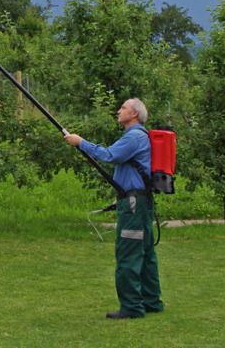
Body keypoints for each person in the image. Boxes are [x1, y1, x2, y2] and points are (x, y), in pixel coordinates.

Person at [64, 98, 164, 319]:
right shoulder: (139, 136)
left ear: (135, 114)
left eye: (124, 108)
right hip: (139, 201)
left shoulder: (135, 137)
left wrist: (80, 142)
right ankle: (151, 301)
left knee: (128, 254)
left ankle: (131, 307)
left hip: (134, 205)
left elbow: (110, 155)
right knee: (146, 253)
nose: (119, 111)